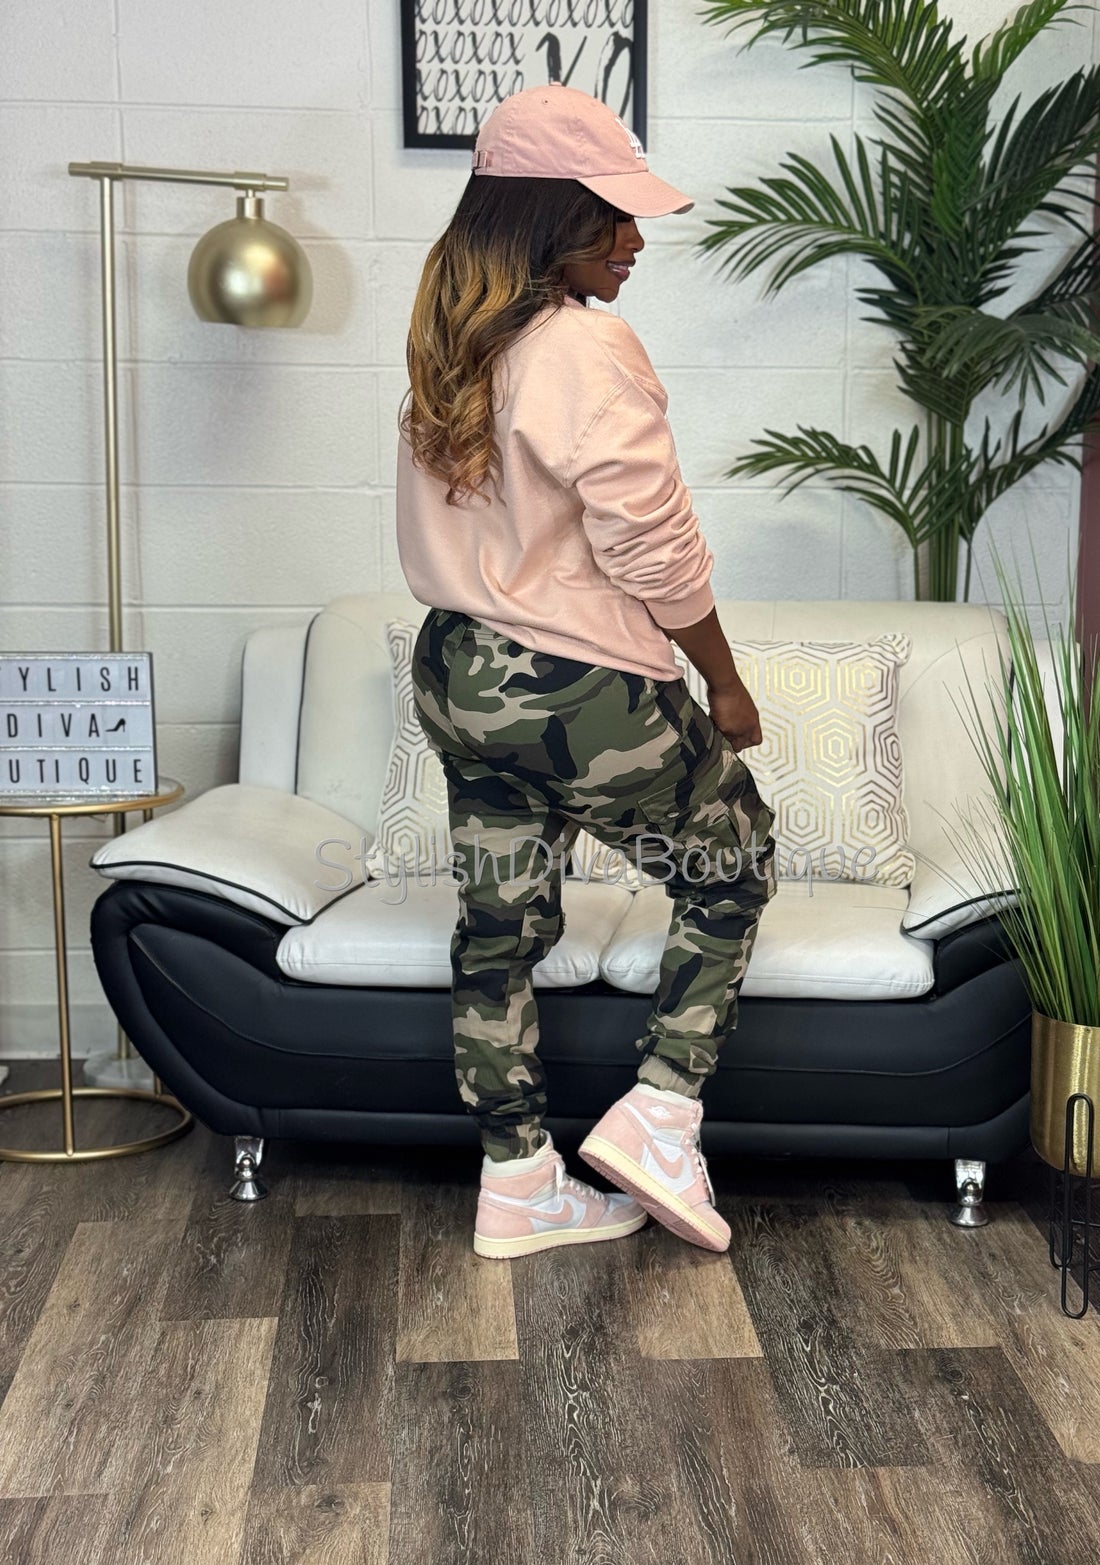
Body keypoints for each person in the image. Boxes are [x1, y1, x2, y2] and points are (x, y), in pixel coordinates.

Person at [397, 80, 777, 1264]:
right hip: (574, 686)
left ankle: (518, 1179)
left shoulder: (450, 339)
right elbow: (652, 545)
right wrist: (723, 681)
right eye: (613, 213)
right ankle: (660, 1115)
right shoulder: (584, 345)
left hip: (459, 671)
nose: (636, 240)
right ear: (550, 215)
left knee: (498, 925)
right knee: (733, 862)